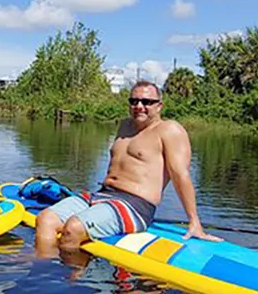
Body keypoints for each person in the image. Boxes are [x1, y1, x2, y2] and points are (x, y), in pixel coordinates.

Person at [35, 80, 221, 255]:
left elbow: (181, 176)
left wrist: (194, 221)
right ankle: (45, 270)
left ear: (159, 106)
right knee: (45, 219)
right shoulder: (125, 125)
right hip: (102, 194)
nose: (139, 106)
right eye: (134, 101)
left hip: (135, 205)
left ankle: (72, 280)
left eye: (147, 101)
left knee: (73, 228)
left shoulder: (169, 130)